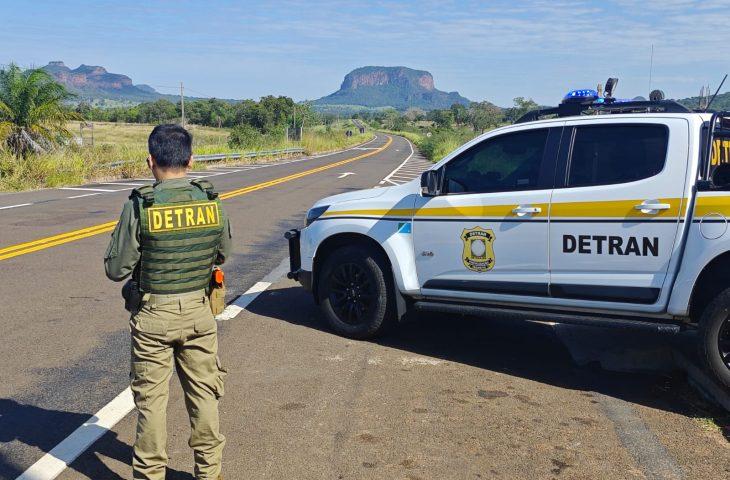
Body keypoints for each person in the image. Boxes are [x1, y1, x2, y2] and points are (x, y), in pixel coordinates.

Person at [104, 124, 232, 480]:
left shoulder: (141, 203)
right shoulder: (209, 199)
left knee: (152, 404)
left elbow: (116, 269)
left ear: (150, 161)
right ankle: (210, 473)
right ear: (191, 160)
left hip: (152, 316)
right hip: (199, 311)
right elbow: (223, 253)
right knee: (205, 396)